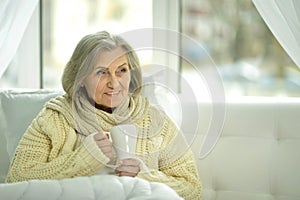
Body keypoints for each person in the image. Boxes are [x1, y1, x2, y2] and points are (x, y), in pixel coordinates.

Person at [6, 31, 202, 199]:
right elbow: (16, 181)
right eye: (101, 72)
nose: (114, 83)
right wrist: (82, 160)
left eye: (121, 71)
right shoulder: (56, 117)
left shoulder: (154, 119)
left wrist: (145, 175)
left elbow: (192, 189)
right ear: (80, 79)